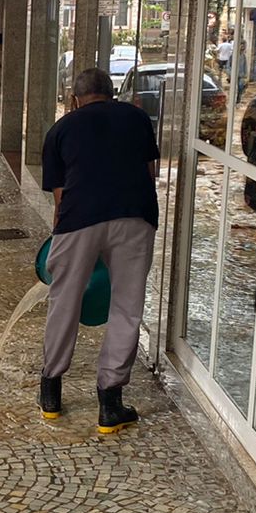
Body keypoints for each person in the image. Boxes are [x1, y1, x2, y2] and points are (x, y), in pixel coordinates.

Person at [39, 68, 159, 433]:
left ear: (75, 99)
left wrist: (61, 237)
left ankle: (51, 394)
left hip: (79, 220)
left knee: (65, 300)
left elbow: (60, 196)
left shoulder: (61, 129)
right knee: (126, 306)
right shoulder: (137, 117)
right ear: (112, 94)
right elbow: (150, 171)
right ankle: (110, 403)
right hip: (135, 216)